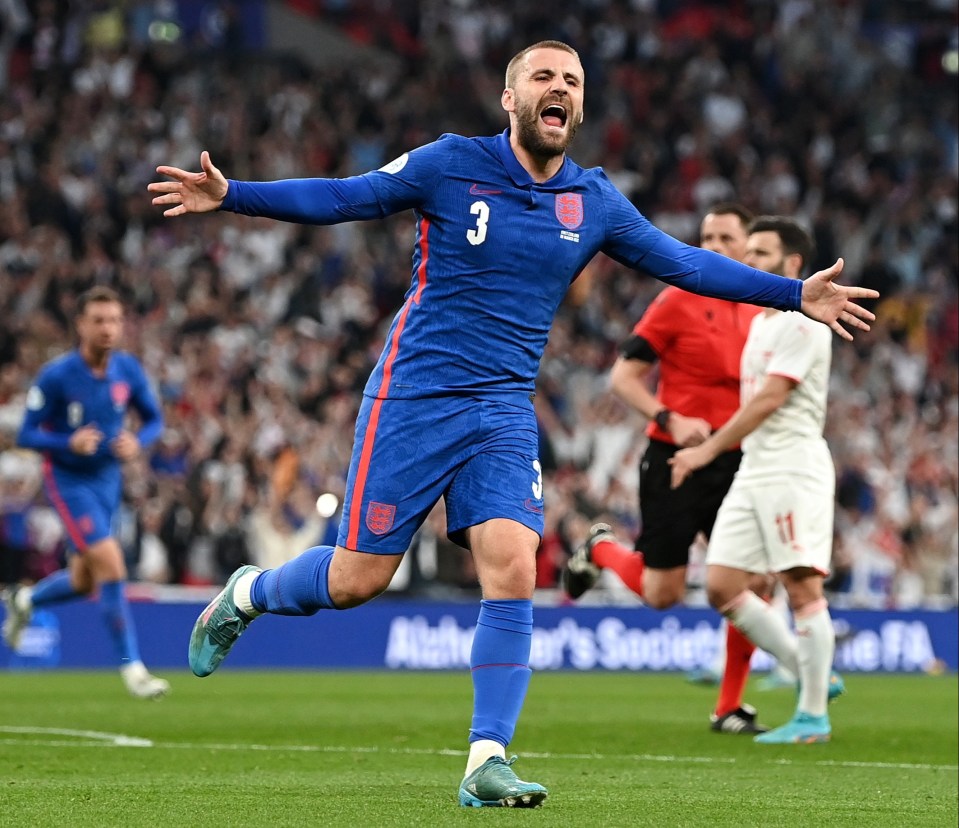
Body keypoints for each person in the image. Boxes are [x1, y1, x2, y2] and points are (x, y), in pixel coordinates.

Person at [148, 41, 876, 805]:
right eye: (543, 77)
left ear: (579, 107)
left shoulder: (592, 201)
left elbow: (685, 264)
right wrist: (233, 195)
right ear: (510, 98)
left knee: (515, 566)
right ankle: (248, 594)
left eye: (571, 81)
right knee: (356, 578)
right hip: (413, 398)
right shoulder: (448, 163)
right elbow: (344, 197)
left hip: (501, 411)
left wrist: (794, 294)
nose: (558, 88)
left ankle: (485, 761)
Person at [562, 202, 776, 735]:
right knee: (663, 595)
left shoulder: (762, 311)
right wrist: (670, 417)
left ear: (748, 248)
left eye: (726, 237)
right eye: (706, 235)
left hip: (736, 462)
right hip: (673, 460)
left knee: (754, 582)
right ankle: (601, 549)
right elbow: (622, 377)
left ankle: (729, 706)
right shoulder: (677, 300)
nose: (714, 246)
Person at [670, 216, 845, 743]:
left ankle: (813, 715)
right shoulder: (762, 321)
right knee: (722, 584)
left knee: (801, 585)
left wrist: (708, 452)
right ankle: (807, 666)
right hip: (756, 467)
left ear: (793, 265)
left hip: (792, 466)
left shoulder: (801, 320)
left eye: (761, 254)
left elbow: (771, 398)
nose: (748, 262)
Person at [1, 286, 170, 700]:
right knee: (111, 564)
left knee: (82, 579)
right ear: (80, 324)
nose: (108, 329)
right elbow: (27, 432)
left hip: (107, 479)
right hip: (68, 479)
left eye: (114, 320)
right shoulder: (58, 375)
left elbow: (153, 420)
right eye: (99, 320)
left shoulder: (127, 371)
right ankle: (133, 669)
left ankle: (25, 600)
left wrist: (138, 441)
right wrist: (67, 443)